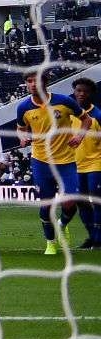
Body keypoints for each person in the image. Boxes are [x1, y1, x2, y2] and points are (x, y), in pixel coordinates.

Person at [15, 71, 82, 255]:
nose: (32, 84)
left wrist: (79, 136)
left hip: (66, 161)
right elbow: (21, 129)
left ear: (45, 81)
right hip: (41, 161)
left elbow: (86, 119)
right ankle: (51, 242)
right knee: (47, 205)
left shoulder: (64, 101)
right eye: (29, 81)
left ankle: (61, 224)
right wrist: (23, 139)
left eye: (36, 80)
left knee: (70, 202)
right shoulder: (23, 108)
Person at [74, 78, 101, 250]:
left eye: (85, 91)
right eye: (78, 90)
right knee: (80, 201)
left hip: (96, 163)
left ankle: (99, 239)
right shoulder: (70, 114)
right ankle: (92, 236)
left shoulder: (98, 115)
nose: (82, 94)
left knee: (96, 200)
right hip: (75, 165)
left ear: (92, 94)